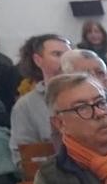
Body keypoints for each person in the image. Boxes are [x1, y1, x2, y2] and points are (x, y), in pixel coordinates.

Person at [8, 33, 73, 164]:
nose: (65, 60)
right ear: (38, 60)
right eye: (57, 54)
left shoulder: (95, 95)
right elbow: (23, 157)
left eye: (68, 55)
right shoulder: (26, 106)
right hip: (55, 177)